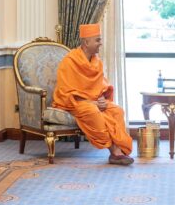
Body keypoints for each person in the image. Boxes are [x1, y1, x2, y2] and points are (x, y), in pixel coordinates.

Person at [52, 24, 134, 165]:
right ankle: (115, 152)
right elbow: (66, 91)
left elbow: (100, 86)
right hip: (73, 103)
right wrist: (92, 103)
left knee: (117, 111)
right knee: (92, 111)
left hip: (94, 101)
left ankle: (117, 152)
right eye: (97, 40)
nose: (100, 43)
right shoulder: (69, 61)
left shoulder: (97, 62)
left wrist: (101, 99)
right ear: (86, 42)